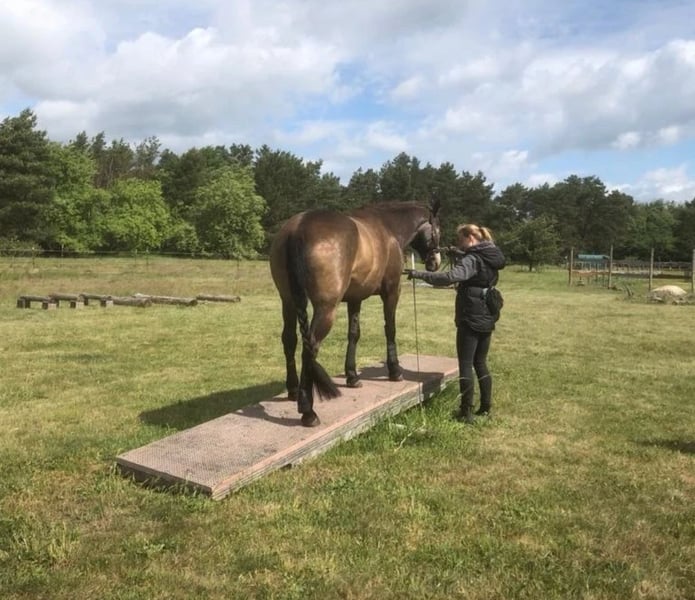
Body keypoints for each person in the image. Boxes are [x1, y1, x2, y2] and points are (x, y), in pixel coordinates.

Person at [405, 223, 506, 423]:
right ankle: (485, 407)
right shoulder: (490, 254)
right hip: (487, 311)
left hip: (471, 314)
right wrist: (457, 252)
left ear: (470, 237)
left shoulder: (472, 258)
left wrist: (419, 274)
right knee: (480, 363)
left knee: (466, 364)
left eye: (460, 240)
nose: (459, 243)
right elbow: (475, 265)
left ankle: (466, 412)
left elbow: (450, 277)